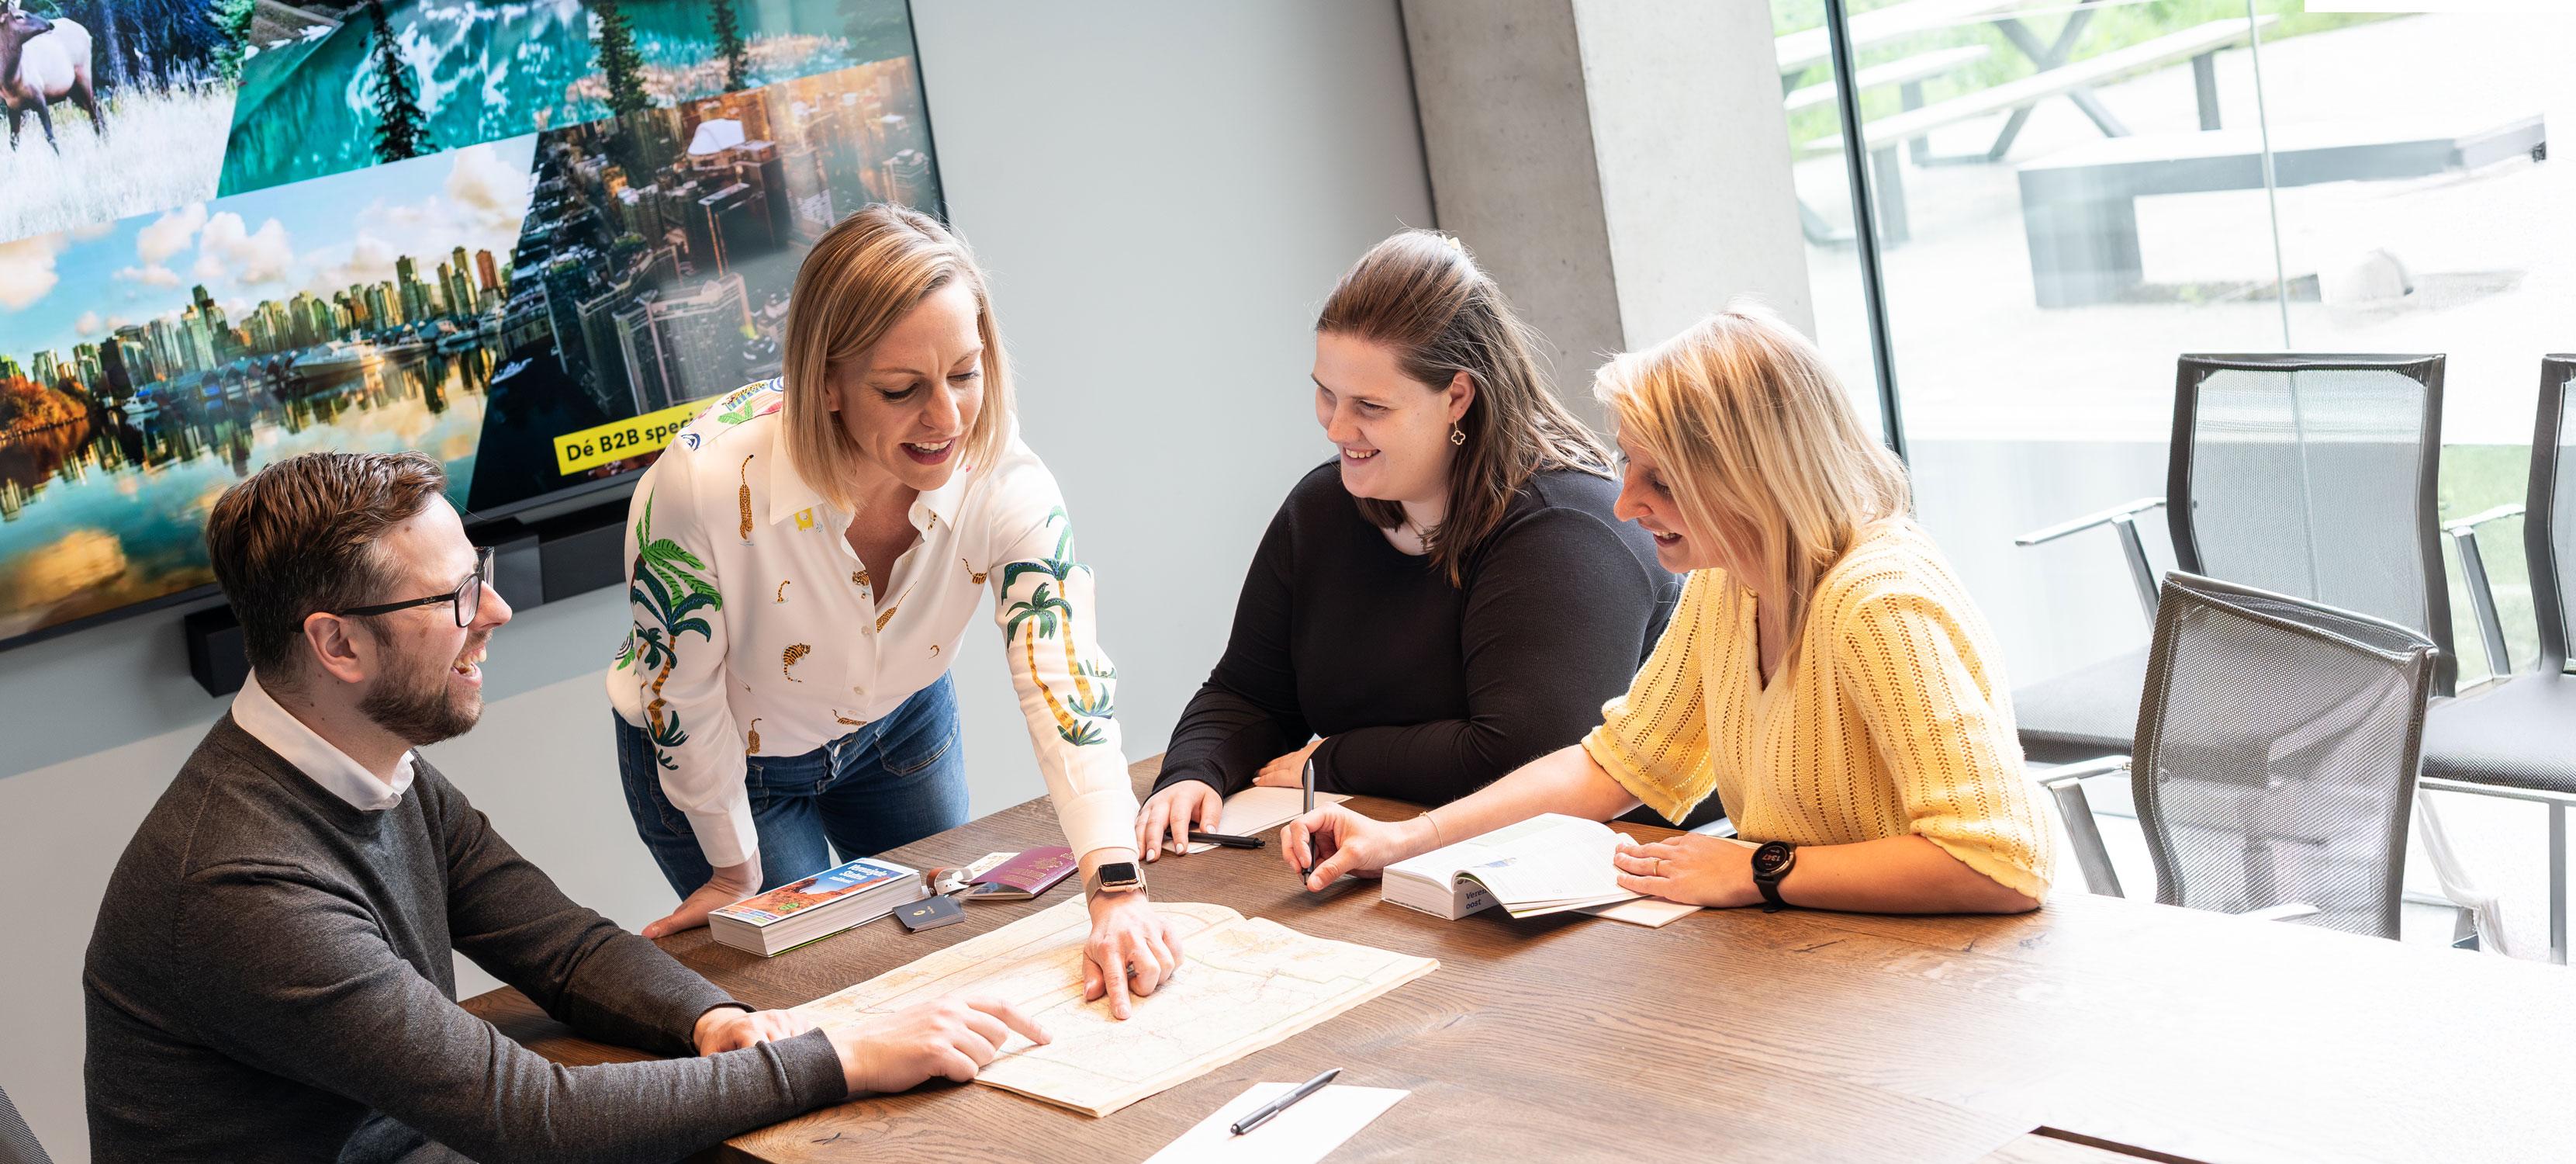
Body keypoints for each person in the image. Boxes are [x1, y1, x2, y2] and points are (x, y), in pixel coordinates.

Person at [85, 452, 1050, 1162]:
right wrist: (839, 1057)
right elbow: (532, 1120)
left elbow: (564, 946)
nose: (494, 613)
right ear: (337, 646)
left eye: (482, 577)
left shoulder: (371, 766)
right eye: (456, 598)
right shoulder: (239, 885)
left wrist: (714, 1020)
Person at [1280, 303, 2057, 914]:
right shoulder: (1731, 583)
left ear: (1755, 477)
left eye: (1662, 479)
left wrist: (1758, 870)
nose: (1625, 504)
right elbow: (1615, 764)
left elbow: (2001, 862)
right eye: (1629, 465)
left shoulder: (1876, 604)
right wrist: (1405, 840)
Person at [608, 205, 1177, 1011]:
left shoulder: (1002, 475)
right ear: (826, 383)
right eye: (902, 389)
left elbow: (1064, 677)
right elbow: (684, 694)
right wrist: (734, 871)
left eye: (965, 374)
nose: (946, 419)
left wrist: (1115, 889)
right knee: (832, 996)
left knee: (950, 952)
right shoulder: (700, 485)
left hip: (900, 724)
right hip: (728, 752)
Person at [1134, 231, 1684, 859]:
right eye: (1326, 393)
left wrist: (1334, 757)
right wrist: (1193, 773)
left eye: (1370, 406)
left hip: (1619, 870)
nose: (1337, 428)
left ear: (1457, 397)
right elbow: (1249, 692)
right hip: (1397, 841)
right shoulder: (1320, 508)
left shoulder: (1570, 527)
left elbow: (1523, 759)